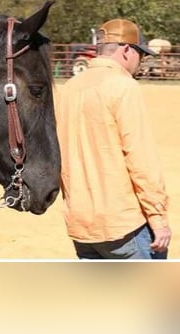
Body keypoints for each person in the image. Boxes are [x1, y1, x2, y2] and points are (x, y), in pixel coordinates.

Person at [56, 18, 171, 259]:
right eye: (141, 53)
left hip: (81, 223)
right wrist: (158, 217)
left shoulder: (70, 87)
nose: (141, 61)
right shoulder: (123, 86)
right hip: (124, 223)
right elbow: (140, 159)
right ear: (127, 50)